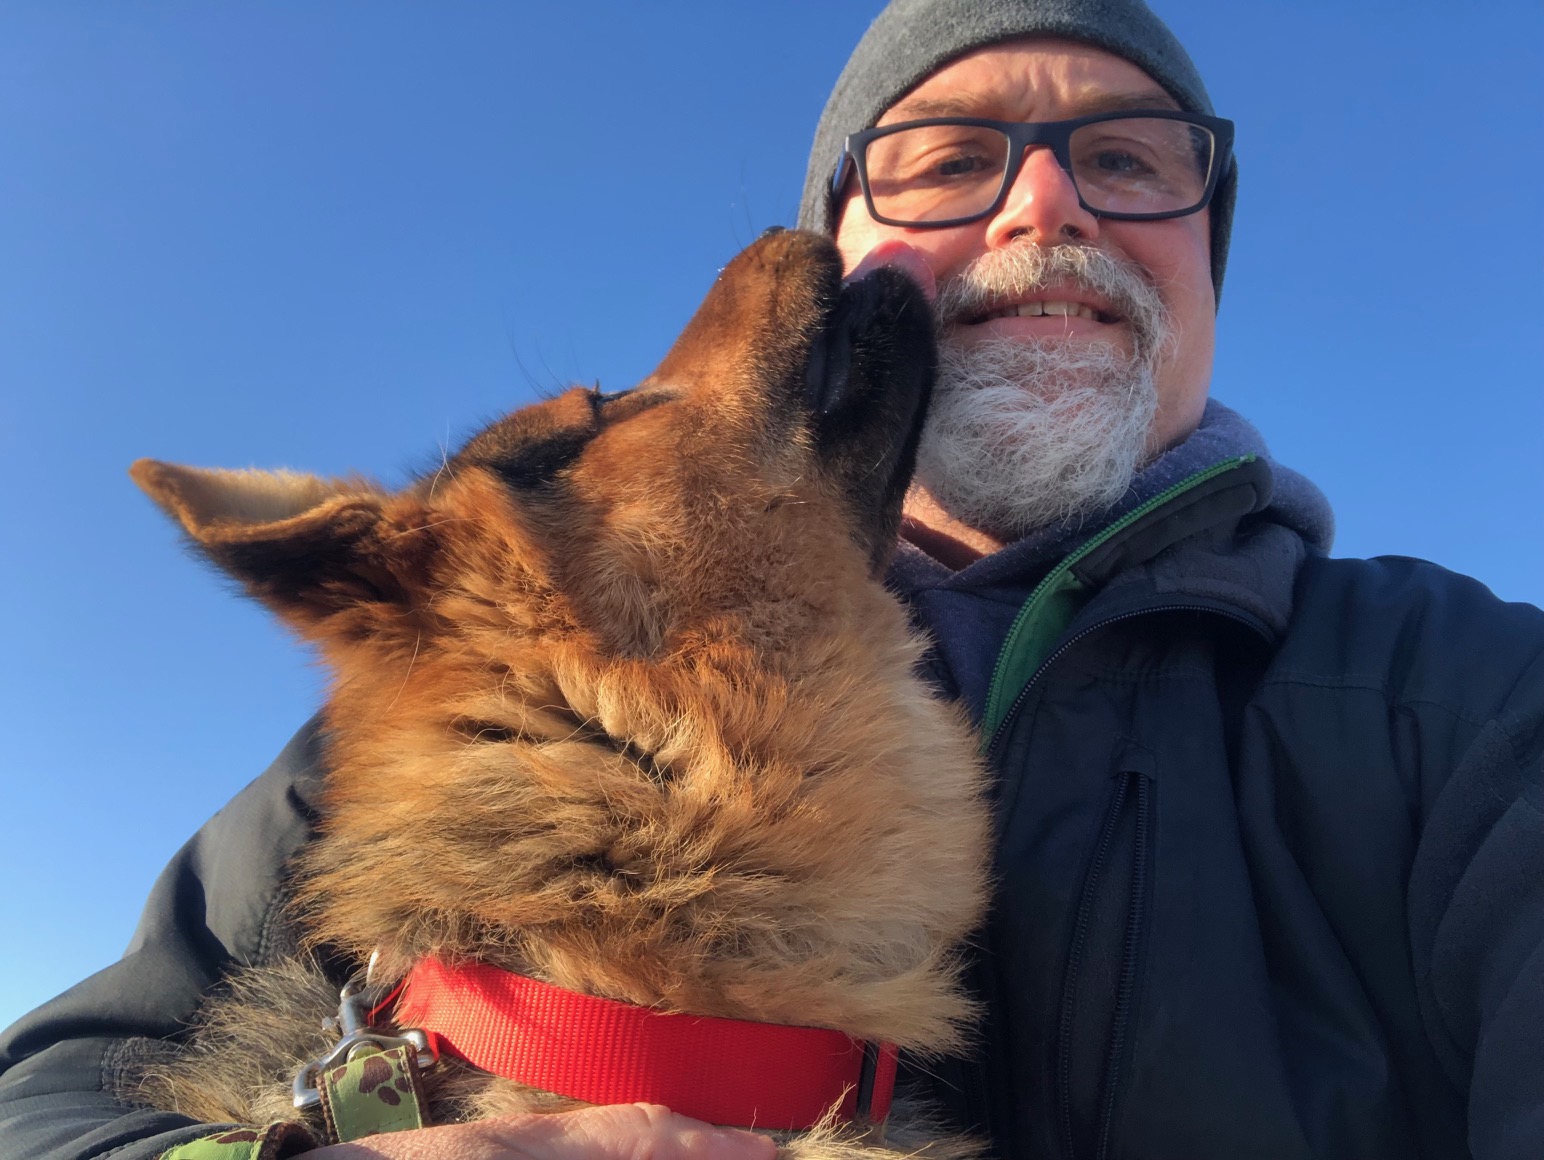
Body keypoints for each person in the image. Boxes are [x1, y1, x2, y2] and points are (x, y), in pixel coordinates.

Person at [3, 1, 1540, 1157]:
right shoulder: (437, 721)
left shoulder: (1467, 710)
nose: (1047, 205)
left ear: (1208, 262)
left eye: (1132, 163)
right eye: (950, 162)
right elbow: (52, 1096)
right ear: (854, 251)